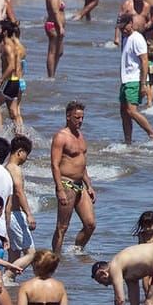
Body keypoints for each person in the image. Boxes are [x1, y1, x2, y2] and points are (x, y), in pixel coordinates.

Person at [49, 102, 95, 253]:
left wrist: (89, 185)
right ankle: (55, 259)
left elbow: (82, 164)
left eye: (82, 118)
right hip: (66, 184)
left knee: (90, 225)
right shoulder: (61, 137)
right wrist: (60, 189)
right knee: (62, 227)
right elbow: (55, 165)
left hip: (80, 184)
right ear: (68, 117)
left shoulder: (80, 136)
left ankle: (77, 251)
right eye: (77, 118)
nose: (80, 121)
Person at [115, 13, 153, 144]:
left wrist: (143, 84)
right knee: (124, 112)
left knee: (132, 111)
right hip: (126, 80)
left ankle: (152, 134)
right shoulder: (126, 38)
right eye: (120, 28)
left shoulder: (137, 38)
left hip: (135, 80)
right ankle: (128, 141)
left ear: (131, 23)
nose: (123, 30)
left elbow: (144, 61)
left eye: (124, 27)